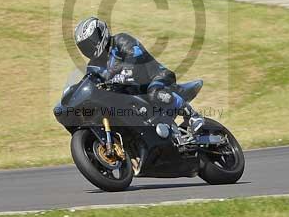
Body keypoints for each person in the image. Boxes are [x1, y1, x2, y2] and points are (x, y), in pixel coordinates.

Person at [73, 16, 204, 142]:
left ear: (102, 33)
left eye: (92, 41)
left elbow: (135, 56)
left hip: (155, 77)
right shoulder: (94, 65)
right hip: (132, 93)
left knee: (154, 93)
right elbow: (90, 81)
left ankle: (193, 116)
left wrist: (124, 73)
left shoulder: (120, 40)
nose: (91, 47)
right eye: (85, 46)